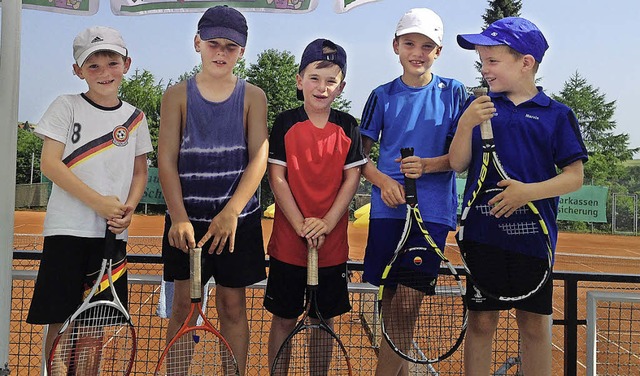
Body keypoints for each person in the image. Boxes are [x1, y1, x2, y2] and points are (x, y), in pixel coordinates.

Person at [450, 17, 588, 376]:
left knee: (534, 326)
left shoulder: (557, 115)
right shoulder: (477, 107)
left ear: (526, 62)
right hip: (482, 237)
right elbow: (458, 163)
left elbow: (574, 177)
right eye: (482, 62)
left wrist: (527, 193)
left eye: (493, 61)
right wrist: (466, 124)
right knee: (480, 325)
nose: (485, 70)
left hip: (533, 240)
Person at [26, 26, 153, 368]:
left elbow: (140, 171)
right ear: (77, 70)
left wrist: (128, 208)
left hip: (111, 236)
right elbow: (50, 164)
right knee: (62, 321)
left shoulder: (136, 118)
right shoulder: (65, 107)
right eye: (92, 66)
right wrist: (99, 202)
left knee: (95, 328)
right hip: (67, 231)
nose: (103, 73)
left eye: (111, 62)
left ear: (126, 64)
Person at [157, 5, 268, 375]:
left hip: (237, 225)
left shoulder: (254, 96)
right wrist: (179, 218)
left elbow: (259, 159)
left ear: (242, 51)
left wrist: (231, 213)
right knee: (183, 311)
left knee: (233, 307)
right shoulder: (176, 96)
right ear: (197, 44)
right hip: (187, 227)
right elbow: (167, 160)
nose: (221, 52)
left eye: (231, 47)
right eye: (213, 44)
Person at [358, 8, 468, 376]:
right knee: (389, 305)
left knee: (406, 307)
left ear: (438, 51)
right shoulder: (381, 95)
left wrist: (427, 166)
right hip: (387, 212)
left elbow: (461, 158)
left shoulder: (455, 93)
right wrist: (384, 181)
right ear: (396, 46)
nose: (417, 52)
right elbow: (358, 158)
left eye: (426, 45)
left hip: (432, 213)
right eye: (409, 43)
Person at [263, 38, 367, 373]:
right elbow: (276, 178)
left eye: (331, 81)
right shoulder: (285, 123)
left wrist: (326, 223)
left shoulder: (349, 125)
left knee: (323, 324)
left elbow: (351, 180)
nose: (322, 88)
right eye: (314, 78)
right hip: (288, 246)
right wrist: (300, 225)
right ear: (299, 80)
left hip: (332, 247)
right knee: (283, 320)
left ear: (342, 86)